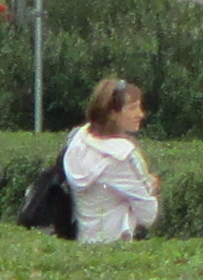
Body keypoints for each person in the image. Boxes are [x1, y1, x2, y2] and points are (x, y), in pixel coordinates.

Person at [64, 76, 162, 245]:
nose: (141, 114)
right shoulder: (122, 157)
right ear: (112, 114)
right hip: (115, 249)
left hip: (83, 242)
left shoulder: (78, 140)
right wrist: (150, 187)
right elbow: (148, 215)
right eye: (133, 108)